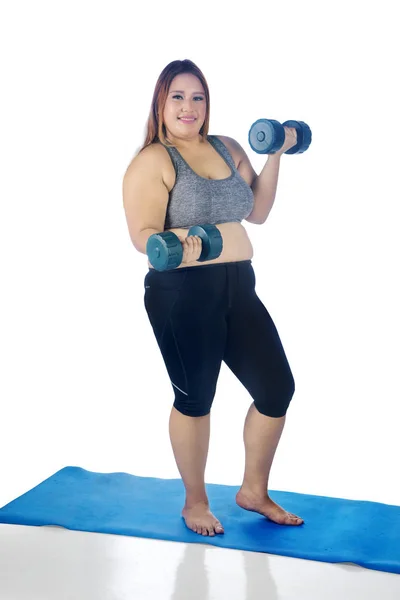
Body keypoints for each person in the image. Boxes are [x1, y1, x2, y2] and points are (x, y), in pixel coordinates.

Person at [123, 59, 304, 537]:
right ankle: (195, 502)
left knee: (275, 389)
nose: (189, 107)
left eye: (197, 97)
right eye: (177, 97)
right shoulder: (154, 160)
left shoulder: (227, 148)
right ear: (161, 103)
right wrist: (184, 244)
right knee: (196, 399)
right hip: (181, 292)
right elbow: (143, 235)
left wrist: (277, 152)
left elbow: (258, 212)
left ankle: (253, 492)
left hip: (238, 288)